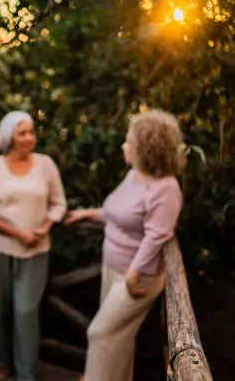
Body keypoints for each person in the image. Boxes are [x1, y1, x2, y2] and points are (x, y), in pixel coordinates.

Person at [65, 109, 184, 381]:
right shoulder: (135, 175)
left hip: (138, 276)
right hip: (113, 267)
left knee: (100, 333)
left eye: (129, 142)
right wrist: (90, 213)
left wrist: (133, 273)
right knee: (119, 339)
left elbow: (157, 235)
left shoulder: (166, 188)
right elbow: (118, 211)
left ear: (146, 148)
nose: (123, 146)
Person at [0, 111, 67, 380]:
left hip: (36, 250)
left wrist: (44, 227)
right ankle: (4, 362)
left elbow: (59, 204)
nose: (29, 138)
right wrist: (17, 233)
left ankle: (28, 374)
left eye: (31, 132)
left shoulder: (46, 164)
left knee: (26, 311)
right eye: (22, 133)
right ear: (9, 137)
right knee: (0, 309)